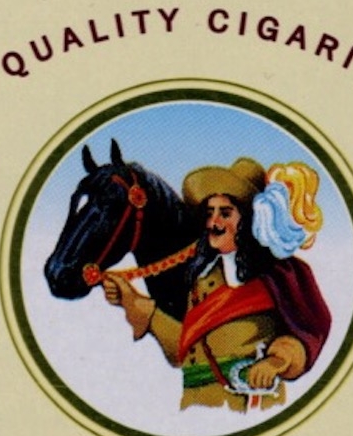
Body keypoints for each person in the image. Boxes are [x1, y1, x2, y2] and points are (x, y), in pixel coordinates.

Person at [103, 157, 332, 411]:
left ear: (248, 220)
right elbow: (182, 350)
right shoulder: (202, 280)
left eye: (225, 213)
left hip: (249, 407)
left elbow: (308, 332)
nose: (214, 222)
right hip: (194, 407)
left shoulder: (279, 276)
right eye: (209, 213)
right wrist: (132, 301)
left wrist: (277, 360)